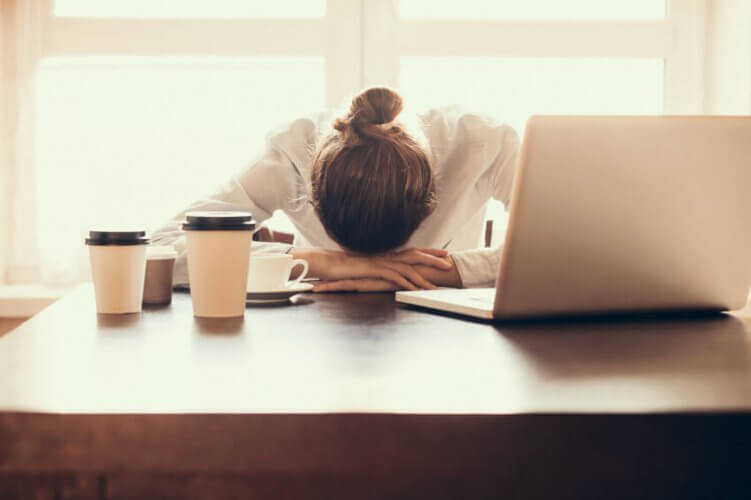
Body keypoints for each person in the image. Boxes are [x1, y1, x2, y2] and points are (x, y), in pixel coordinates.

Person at [152, 87, 517, 291]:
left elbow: (566, 252)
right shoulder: (293, 153)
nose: (377, 265)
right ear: (310, 190)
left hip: (451, 336)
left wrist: (449, 270)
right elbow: (155, 252)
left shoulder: (481, 141)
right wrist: (319, 262)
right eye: (356, 254)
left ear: (431, 194)